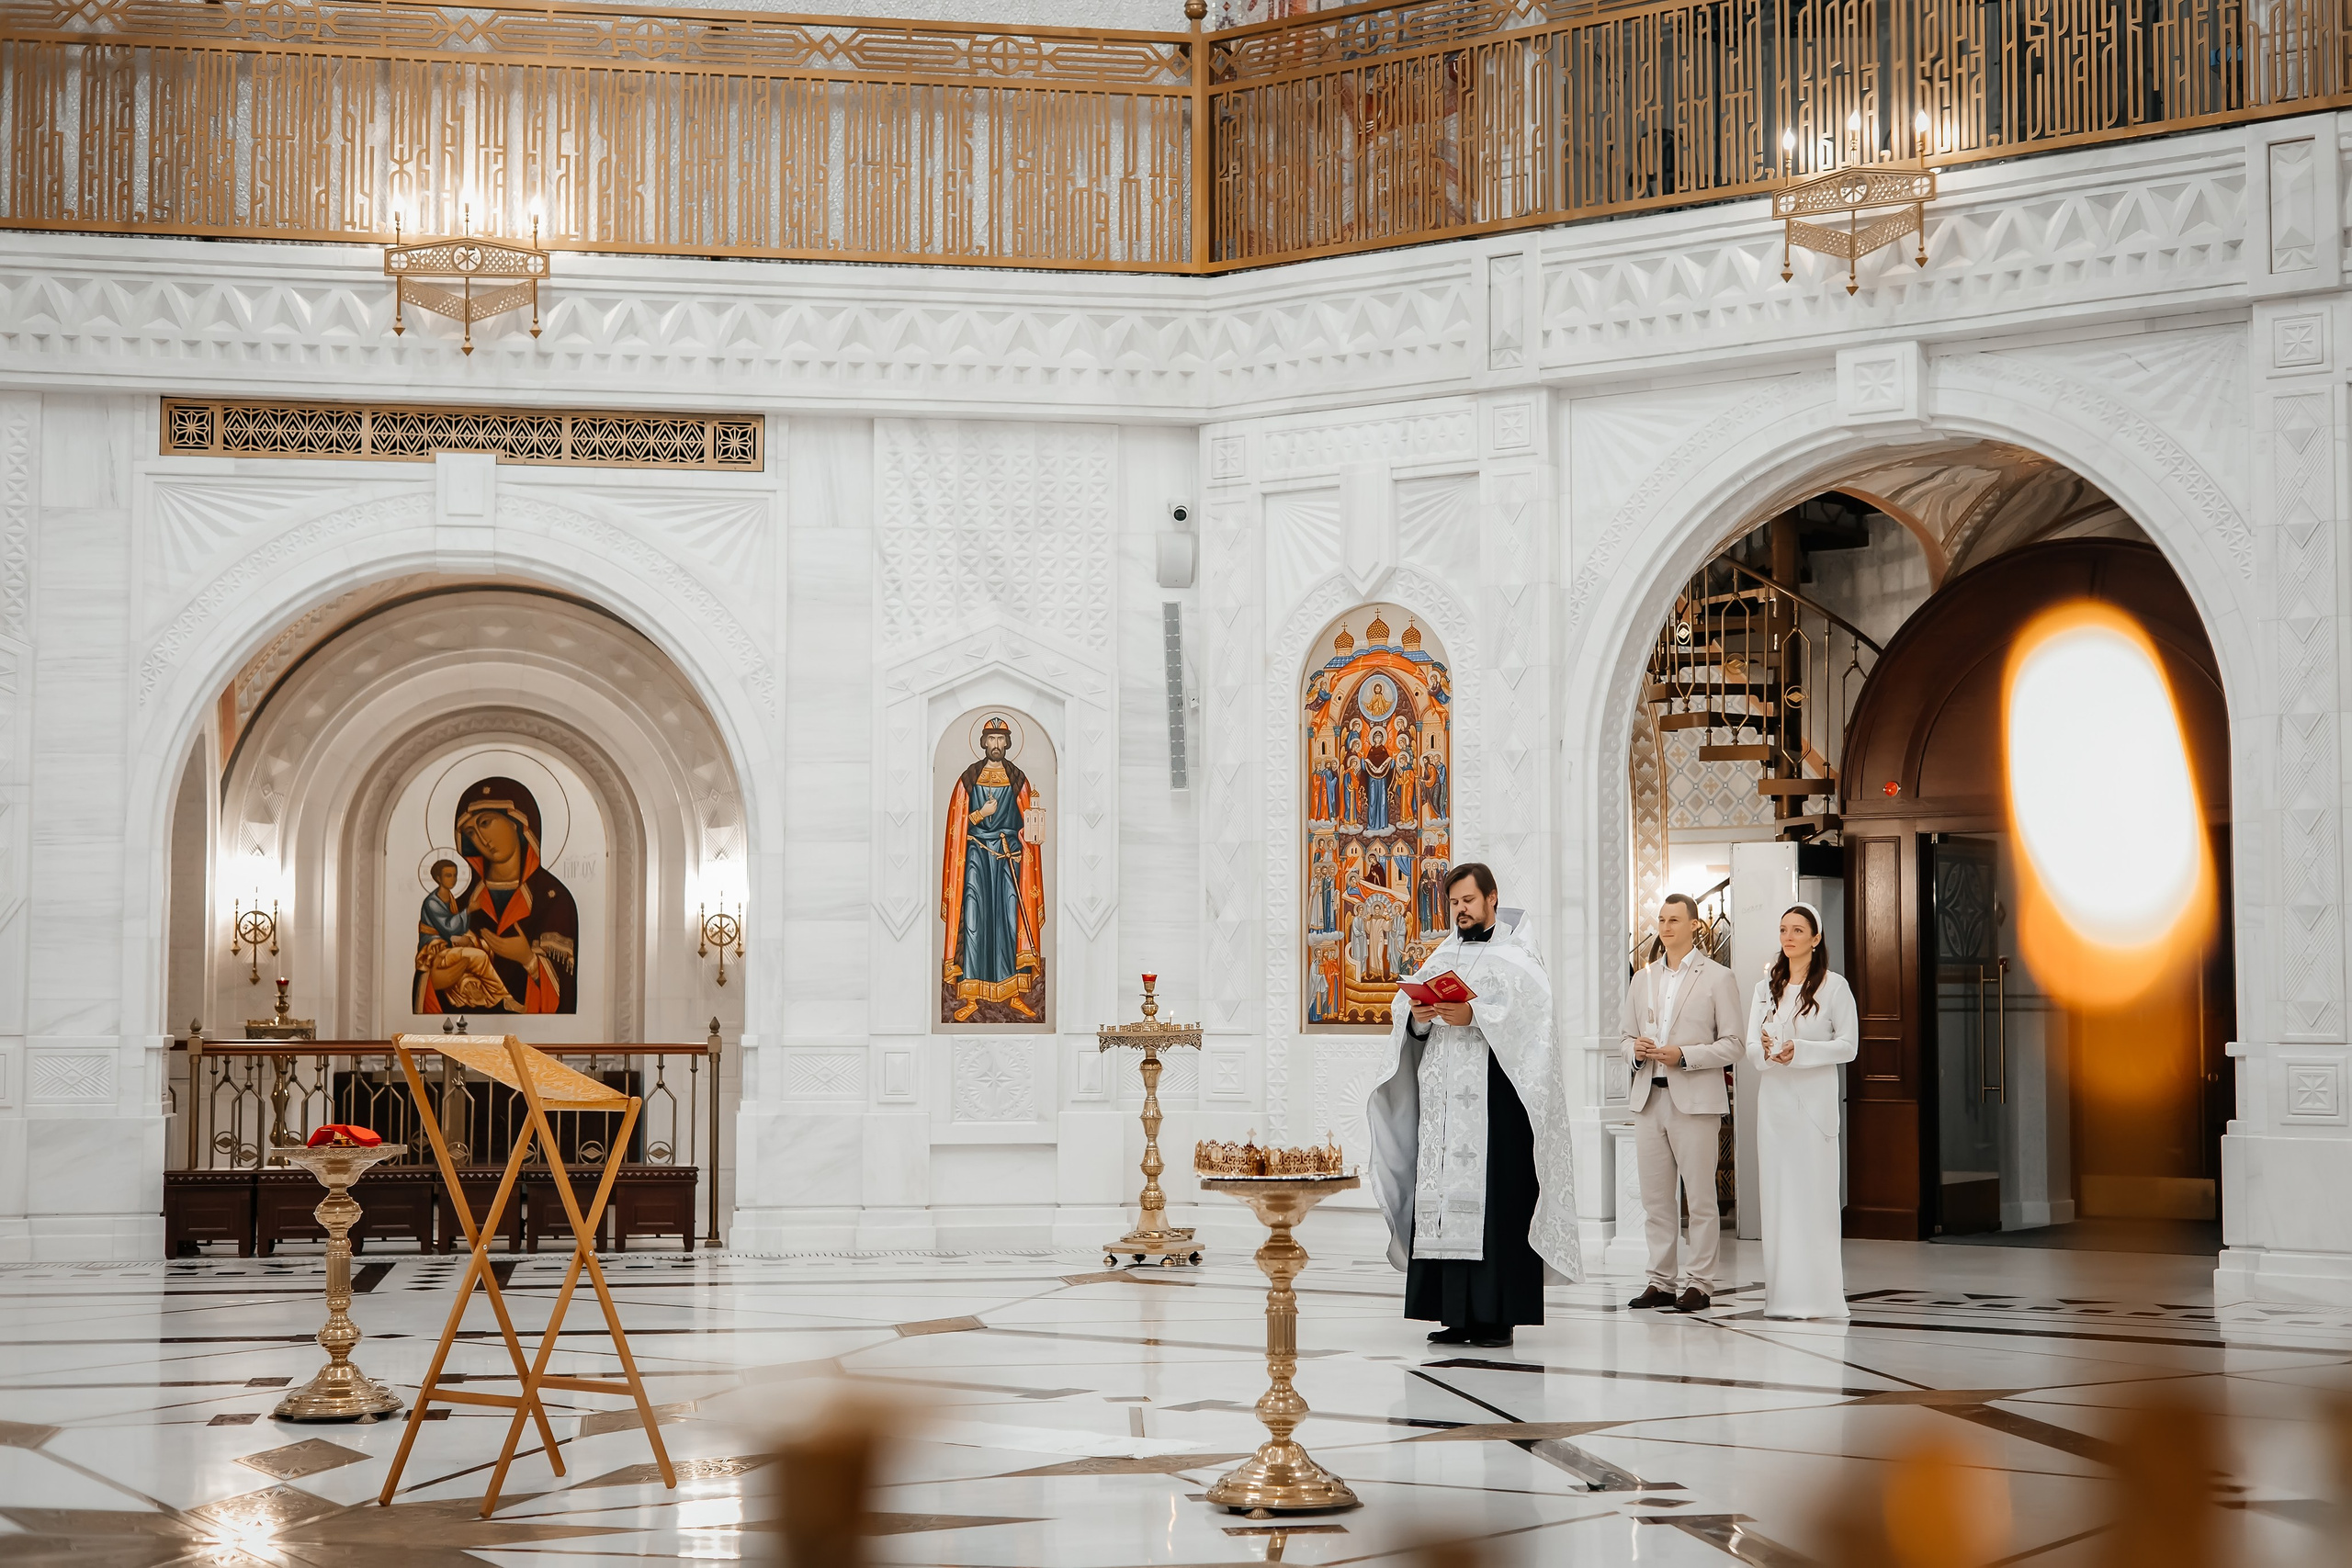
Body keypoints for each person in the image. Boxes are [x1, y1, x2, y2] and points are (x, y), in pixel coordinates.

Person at [1367, 863, 1581, 1348]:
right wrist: (1418, 1017)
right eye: (1455, 902)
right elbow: (1411, 1023)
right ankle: (1453, 1313)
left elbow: (1535, 1023)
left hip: (1496, 1103)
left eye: (1468, 900)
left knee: (1496, 1202)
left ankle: (1496, 1316)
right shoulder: (1442, 953)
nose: (1461, 910)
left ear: (1491, 899)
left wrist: (1476, 1014)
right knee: (1442, 1202)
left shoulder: (1518, 955)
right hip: (1444, 1105)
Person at [1620, 893, 1744, 1313]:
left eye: (1675, 920)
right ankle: (1660, 1281)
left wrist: (1685, 1056)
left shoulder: (1718, 977)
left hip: (1695, 1100)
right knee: (1655, 1201)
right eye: (1661, 919)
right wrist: (1634, 1050)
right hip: (1648, 1098)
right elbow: (1622, 1038)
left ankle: (1701, 1283)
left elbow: (1734, 1045)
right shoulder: (1643, 978)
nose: (1666, 926)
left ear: (1694, 925)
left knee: (1701, 1198)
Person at [1745, 904, 1858, 1319]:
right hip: (1774, 1108)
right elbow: (1751, 1046)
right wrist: (1768, 1054)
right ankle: (1783, 1297)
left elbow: (1849, 1045)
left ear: (1815, 938)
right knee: (1778, 1198)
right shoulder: (1764, 988)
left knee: (1814, 1198)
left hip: (1814, 1108)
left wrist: (1802, 1051)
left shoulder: (1834, 987)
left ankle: (1820, 1297)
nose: (1788, 937)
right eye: (1782, 930)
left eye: (1797, 930)